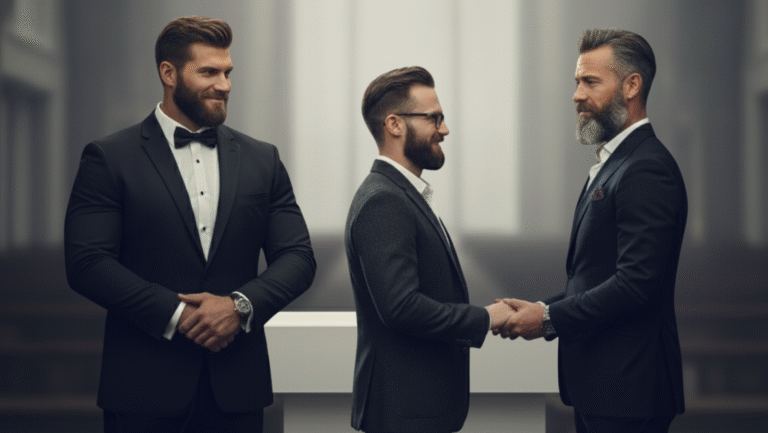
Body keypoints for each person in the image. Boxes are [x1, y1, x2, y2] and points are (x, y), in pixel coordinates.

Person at [64, 16, 315, 432]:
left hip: (236, 390)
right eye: (209, 72)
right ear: (168, 73)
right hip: (142, 388)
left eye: (227, 72)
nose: (224, 84)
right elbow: (87, 263)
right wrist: (179, 315)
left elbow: (298, 257)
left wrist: (239, 306)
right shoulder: (109, 158)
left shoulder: (262, 160)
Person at [495, 29, 687, 433]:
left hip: (629, 390)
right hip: (606, 387)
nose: (577, 95)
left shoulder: (645, 168)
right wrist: (538, 308)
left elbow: (636, 285)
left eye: (590, 82)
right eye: (577, 82)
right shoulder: (617, 162)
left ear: (632, 85)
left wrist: (547, 319)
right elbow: (596, 276)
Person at [345, 66, 514, 433]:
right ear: (394, 125)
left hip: (416, 410)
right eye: (434, 118)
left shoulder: (399, 193)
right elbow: (402, 308)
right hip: (406, 414)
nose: (445, 129)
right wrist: (486, 318)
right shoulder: (384, 201)